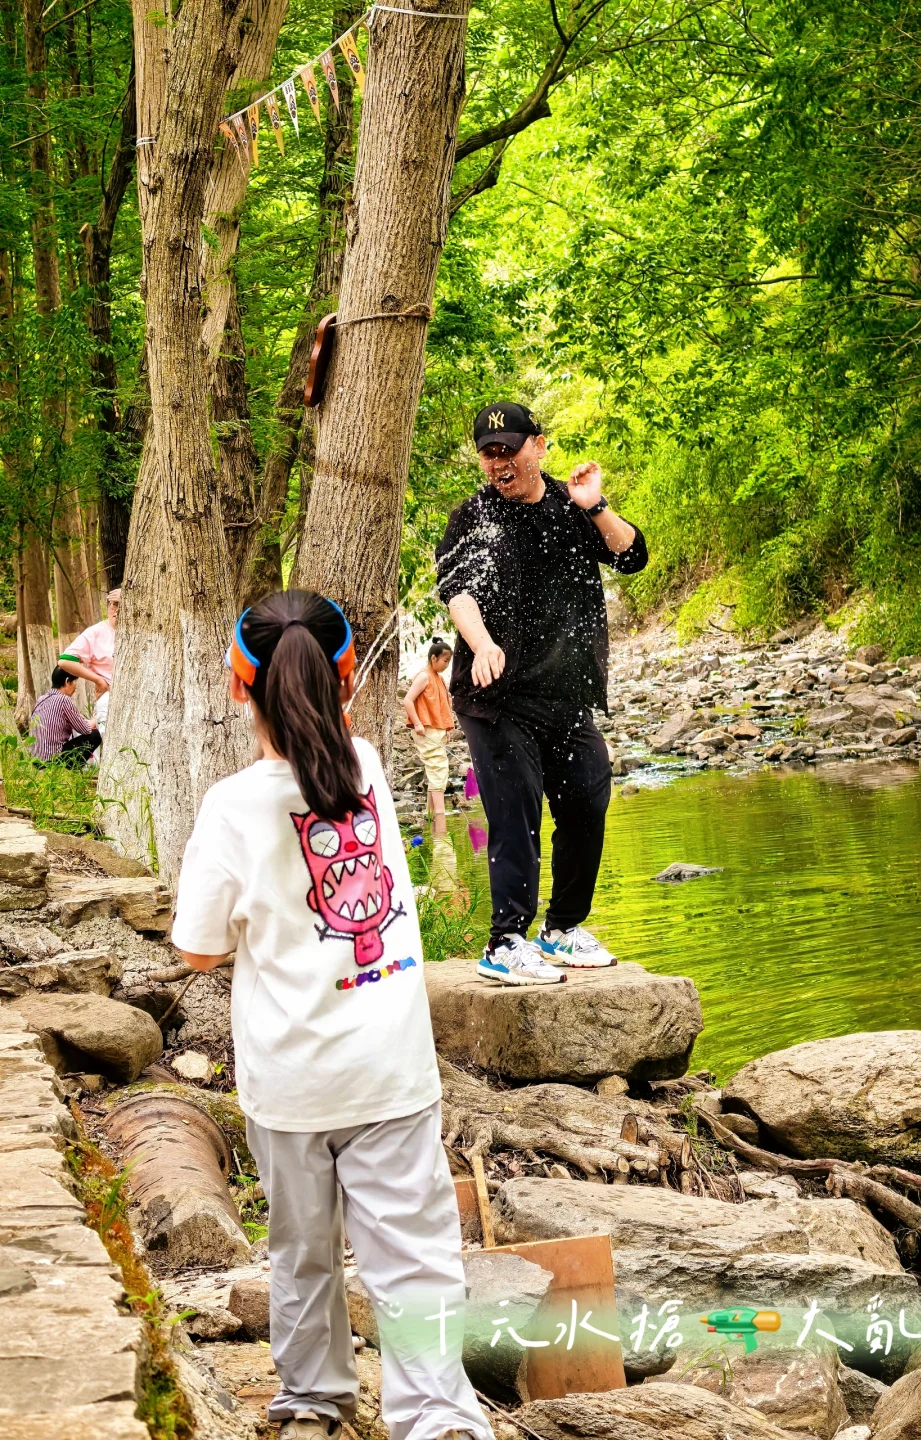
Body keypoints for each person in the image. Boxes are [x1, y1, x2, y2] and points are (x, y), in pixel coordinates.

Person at [170, 589, 493, 1440]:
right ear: (345, 681)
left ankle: (313, 1404)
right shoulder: (370, 768)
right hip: (389, 1067)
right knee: (415, 1260)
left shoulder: (231, 806)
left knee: (302, 1254)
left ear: (240, 689)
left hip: (292, 1078)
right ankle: (436, 1419)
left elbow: (198, 948)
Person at [435, 402, 648, 986]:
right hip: (495, 697)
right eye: (489, 452)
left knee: (586, 800)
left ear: (540, 446)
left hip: (567, 695)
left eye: (509, 449)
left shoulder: (571, 507)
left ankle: (562, 930)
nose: (499, 463)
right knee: (516, 810)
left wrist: (596, 505)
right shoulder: (473, 519)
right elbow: (457, 592)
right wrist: (479, 645)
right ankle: (506, 941)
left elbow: (631, 555)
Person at [403, 638, 454, 825]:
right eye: (445, 661)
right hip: (426, 729)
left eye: (449, 662)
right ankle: (439, 814)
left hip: (437, 729)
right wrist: (417, 723)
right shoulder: (424, 676)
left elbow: (442, 706)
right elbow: (408, 700)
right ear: (434, 658)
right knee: (438, 768)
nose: (447, 665)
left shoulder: (439, 679)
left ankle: (432, 815)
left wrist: (447, 728)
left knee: (438, 769)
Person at [58, 586, 121, 733]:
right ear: (108, 606)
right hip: (109, 699)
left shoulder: (142, 630)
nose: (117, 610)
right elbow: (65, 661)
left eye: (123, 604)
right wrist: (98, 680)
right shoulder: (97, 632)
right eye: (115, 604)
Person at [28, 667, 101, 767]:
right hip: (53, 760)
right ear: (67, 681)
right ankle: (70, 771)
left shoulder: (41, 699)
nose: (76, 688)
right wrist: (96, 719)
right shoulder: (63, 700)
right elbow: (86, 729)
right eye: (75, 682)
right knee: (95, 735)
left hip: (36, 761)